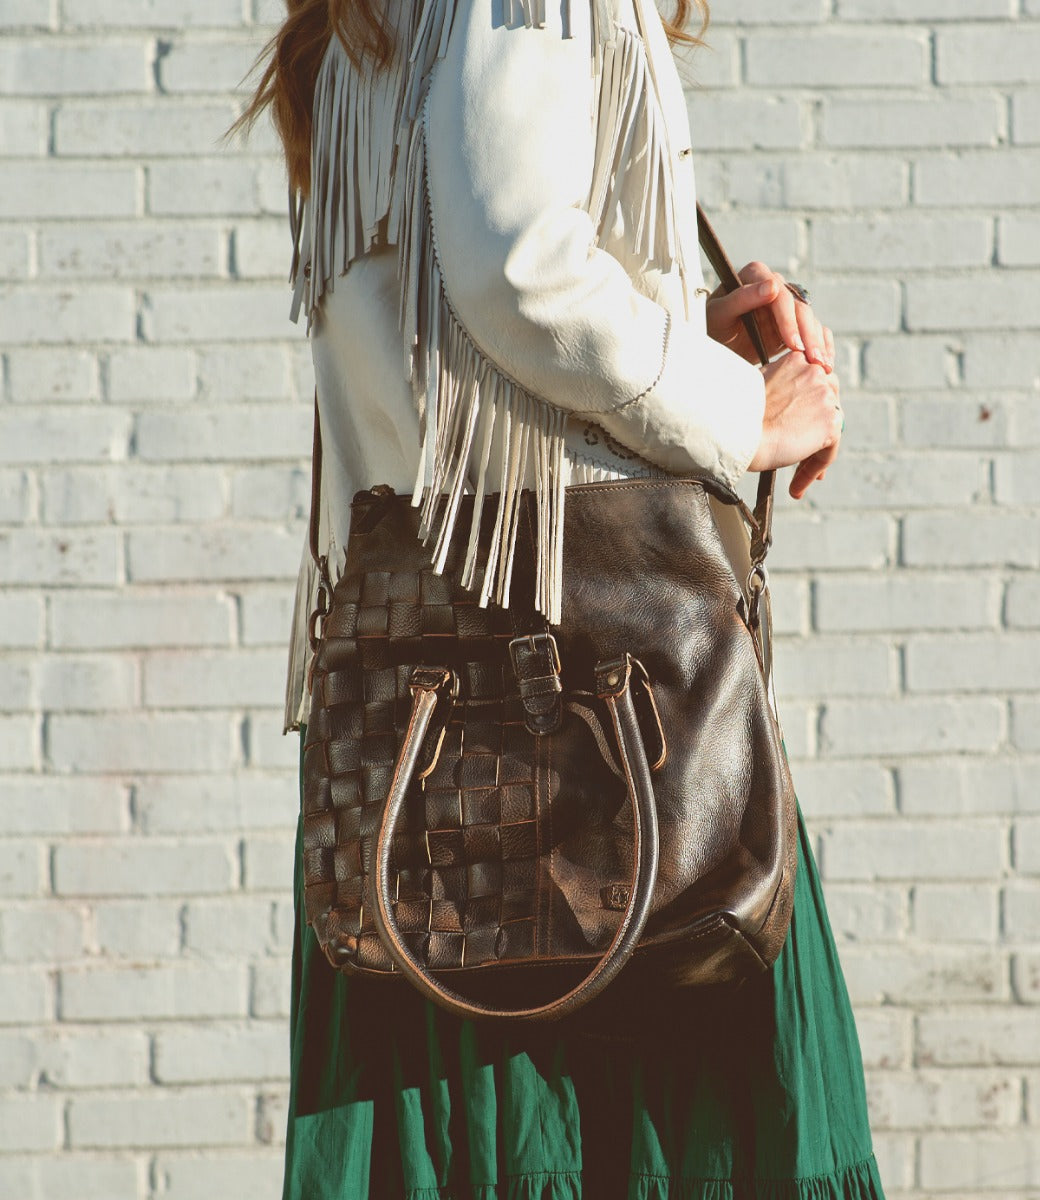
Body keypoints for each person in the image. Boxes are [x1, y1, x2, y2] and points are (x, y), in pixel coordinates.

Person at [239, 1, 883, 1196]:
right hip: (603, 722)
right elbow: (517, 273)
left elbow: (427, 332)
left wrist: (677, 334)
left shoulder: (354, 22)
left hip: (421, 742)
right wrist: (742, 410)